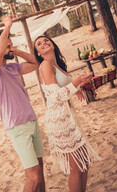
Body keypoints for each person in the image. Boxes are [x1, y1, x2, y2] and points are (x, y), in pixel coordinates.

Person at [0, 16, 45, 192]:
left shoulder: (12, 68)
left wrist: (15, 52)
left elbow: (36, 62)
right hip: (17, 127)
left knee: (40, 171)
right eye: (6, 46)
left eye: (10, 45)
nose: (9, 48)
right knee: (33, 177)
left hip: (32, 122)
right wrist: (7, 26)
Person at [33, 35, 101, 192]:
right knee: (76, 167)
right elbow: (55, 97)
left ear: (52, 44)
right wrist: (76, 82)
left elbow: (62, 88)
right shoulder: (45, 65)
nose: (44, 43)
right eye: (39, 43)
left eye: (46, 40)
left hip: (67, 117)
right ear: (38, 52)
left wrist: (77, 88)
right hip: (58, 121)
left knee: (84, 163)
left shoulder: (57, 64)